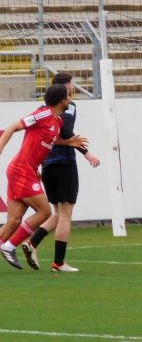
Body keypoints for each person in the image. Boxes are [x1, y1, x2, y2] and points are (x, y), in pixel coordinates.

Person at [0, 84, 87, 270]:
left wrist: (69, 142)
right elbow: (13, 127)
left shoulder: (57, 122)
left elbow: (52, 139)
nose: (70, 99)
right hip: (21, 170)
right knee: (45, 211)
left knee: (14, 221)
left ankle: (7, 243)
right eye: (68, 96)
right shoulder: (44, 114)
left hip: (27, 171)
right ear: (61, 100)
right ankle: (9, 246)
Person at [21, 73, 100, 273]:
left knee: (57, 213)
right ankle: (59, 263)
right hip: (64, 163)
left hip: (47, 165)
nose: (73, 87)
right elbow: (66, 130)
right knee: (65, 214)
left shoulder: (41, 109)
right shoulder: (68, 105)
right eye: (71, 84)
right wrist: (86, 152)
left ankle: (32, 243)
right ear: (65, 89)